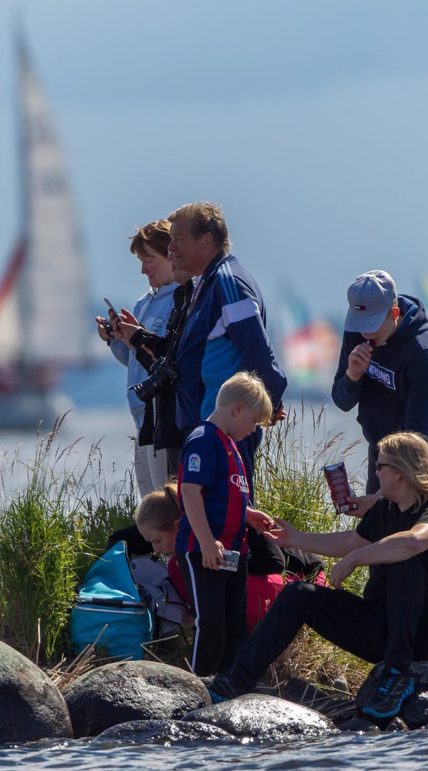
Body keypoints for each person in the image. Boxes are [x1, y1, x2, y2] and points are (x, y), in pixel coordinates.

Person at [206, 431, 428, 728]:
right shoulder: (385, 510)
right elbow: (349, 541)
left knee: (403, 559)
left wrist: (356, 559)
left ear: (401, 473)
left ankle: (396, 673)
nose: (376, 472)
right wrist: (294, 539)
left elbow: (414, 542)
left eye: (380, 466)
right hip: (383, 626)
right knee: (299, 594)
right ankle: (237, 680)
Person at [164, 201, 287, 492]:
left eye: (178, 239)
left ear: (206, 240)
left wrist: (269, 405)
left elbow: (260, 354)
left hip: (226, 434)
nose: (170, 248)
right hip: (206, 432)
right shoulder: (206, 283)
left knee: (230, 519)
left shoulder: (227, 283)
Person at [176, 372, 277, 676]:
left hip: (234, 551)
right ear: (237, 409)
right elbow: (191, 493)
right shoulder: (204, 440)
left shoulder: (231, 443)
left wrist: (249, 515)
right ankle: (200, 684)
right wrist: (206, 542)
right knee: (211, 622)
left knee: (235, 624)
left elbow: (226, 493)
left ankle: (230, 683)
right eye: (254, 422)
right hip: (203, 550)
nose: (252, 430)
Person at [331, 269, 428, 491]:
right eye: (360, 323)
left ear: (395, 313)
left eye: (372, 324)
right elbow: (342, 401)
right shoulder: (357, 331)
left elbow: (418, 438)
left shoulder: (423, 354)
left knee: (406, 521)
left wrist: (383, 497)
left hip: (424, 453)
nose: (365, 333)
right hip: (380, 449)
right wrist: (353, 376)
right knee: (375, 524)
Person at [97, 219, 179, 497]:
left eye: (149, 261)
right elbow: (134, 359)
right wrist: (116, 339)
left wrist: (139, 337)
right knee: (150, 502)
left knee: (165, 500)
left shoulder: (181, 300)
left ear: (172, 257)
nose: (143, 269)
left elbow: (165, 357)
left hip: (162, 416)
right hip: (141, 419)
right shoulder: (144, 302)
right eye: (141, 261)